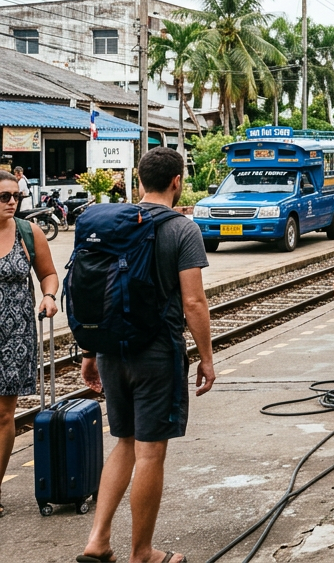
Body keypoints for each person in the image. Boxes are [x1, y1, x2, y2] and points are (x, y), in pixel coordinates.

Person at [79, 148, 214, 563]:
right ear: (177, 182)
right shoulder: (182, 229)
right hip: (156, 351)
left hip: (110, 349)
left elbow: (89, 289)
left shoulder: (112, 223)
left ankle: (98, 542)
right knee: (150, 452)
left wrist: (89, 351)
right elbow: (194, 303)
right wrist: (207, 358)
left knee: (123, 443)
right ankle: (142, 553)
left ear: (139, 180)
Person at [0, 170, 59, 519]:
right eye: (3, 197)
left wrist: (49, 296)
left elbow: (48, 274)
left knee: (4, 414)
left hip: (14, 337)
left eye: (15, 197)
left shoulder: (28, 231)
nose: (11, 202)